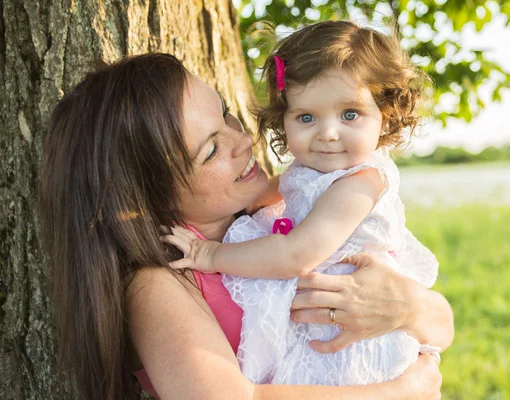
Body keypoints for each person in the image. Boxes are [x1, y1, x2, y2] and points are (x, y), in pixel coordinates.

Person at [39, 52, 453, 400]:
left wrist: (410, 307)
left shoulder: (277, 216)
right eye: (212, 149)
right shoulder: (160, 285)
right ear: (143, 196)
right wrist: (398, 391)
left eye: (224, 114)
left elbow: (441, 325)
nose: (242, 141)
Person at [163, 20, 441, 386]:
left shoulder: (359, 183)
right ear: (285, 121)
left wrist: (209, 254)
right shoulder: (312, 170)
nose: (327, 133)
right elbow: (283, 189)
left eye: (350, 114)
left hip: (348, 334)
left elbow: (296, 256)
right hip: (322, 313)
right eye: (306, 117)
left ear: (384, 115)